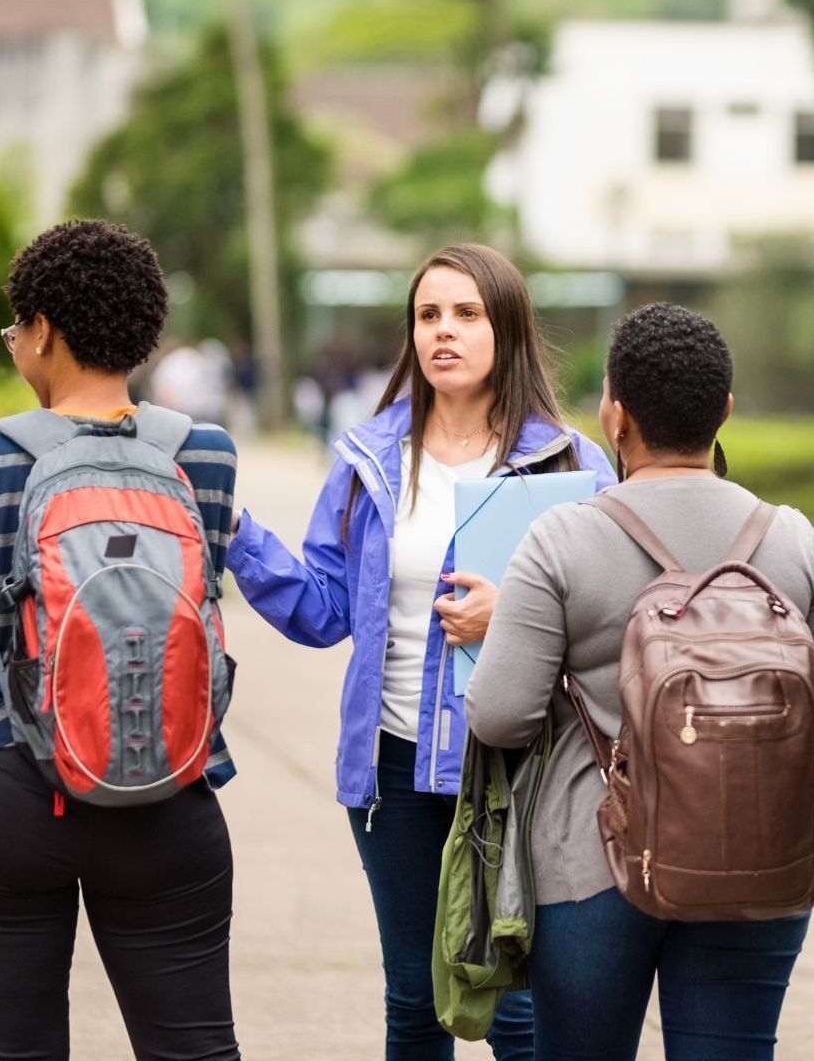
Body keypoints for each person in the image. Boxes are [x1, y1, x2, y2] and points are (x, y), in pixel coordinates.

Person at [0, 220, 242, 1060]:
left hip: (7, 797)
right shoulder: (206, 454)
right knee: (197, 1049)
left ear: (44, 334)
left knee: (13, 1049)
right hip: (168, 782)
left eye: (16, 326)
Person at [225, 243, 614, 1061]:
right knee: (413, 1002)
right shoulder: (369, 459)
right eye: (428, 315)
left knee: (518, 1008)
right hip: (393, 769)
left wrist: (517, 617)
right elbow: (325, 611)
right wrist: (236, 534)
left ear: (506, 330)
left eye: (467, 314)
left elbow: (621, 620)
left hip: (520, 769)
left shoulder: (573, 464)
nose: (444, 332)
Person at [466, 302, 814, 1061]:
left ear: (613, 417)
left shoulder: (561, 539)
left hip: (592, 864)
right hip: (760, 858)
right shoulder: (792, 541)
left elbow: (498, 717)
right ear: (724, 412)